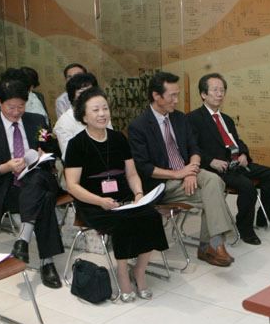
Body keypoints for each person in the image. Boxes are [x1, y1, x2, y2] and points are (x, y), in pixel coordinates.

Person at [64, 88, 168, 301]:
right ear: (84, 116)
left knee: (152, 217)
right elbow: (72, 186)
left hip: (124, 199)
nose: (102, 114)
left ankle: (139, 270)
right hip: (93, 203)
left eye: (105, 108)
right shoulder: (76, 144)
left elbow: (131, 174)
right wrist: (100, 201)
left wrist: (139, 193)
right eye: (95, 110)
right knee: (124, 223)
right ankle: (122, 273)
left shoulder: (118, 138)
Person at [127, 71, 235, 266]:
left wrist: (191, 171)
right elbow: (144, 168)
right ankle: (210, 246)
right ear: (156, 96)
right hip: (163, 181)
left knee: (214, 181)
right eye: (172, 96)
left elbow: (194, 148)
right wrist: (179, 174)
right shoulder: (139, 126)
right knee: (214, 192)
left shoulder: (179, 118)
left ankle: (213, 245)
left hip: (187, 170)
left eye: (178, 95)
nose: (176, 100)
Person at [0, 76, 64, 288]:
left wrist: (44, 151)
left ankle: (22, 240)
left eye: (20, 106)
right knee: (45, 199)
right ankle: (47, 262)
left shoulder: (36, 121)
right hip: (8, 187)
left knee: (38, 179)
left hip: (38, 177)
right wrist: (7, 167)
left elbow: (53, 148)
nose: (16, 112)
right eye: (11, 107)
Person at [188, 73, 270, 244]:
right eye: (215, 90)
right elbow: (191, 148)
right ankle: (245, 230)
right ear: (203, 94)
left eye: (222, 90)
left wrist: (243, 154)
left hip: (237, 163)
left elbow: (237, 141)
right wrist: (210, 160)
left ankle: (267, 218)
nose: (220, 94)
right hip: (217, 168)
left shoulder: (226, 119)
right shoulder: (193, 118)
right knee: (247, 187)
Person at [53, 72, 107, 155]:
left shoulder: (102, 114)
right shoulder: (64, 121)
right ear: (72, 96)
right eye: (81, 92)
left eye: (90, 91)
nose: (87, 96)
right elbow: (68, 156)